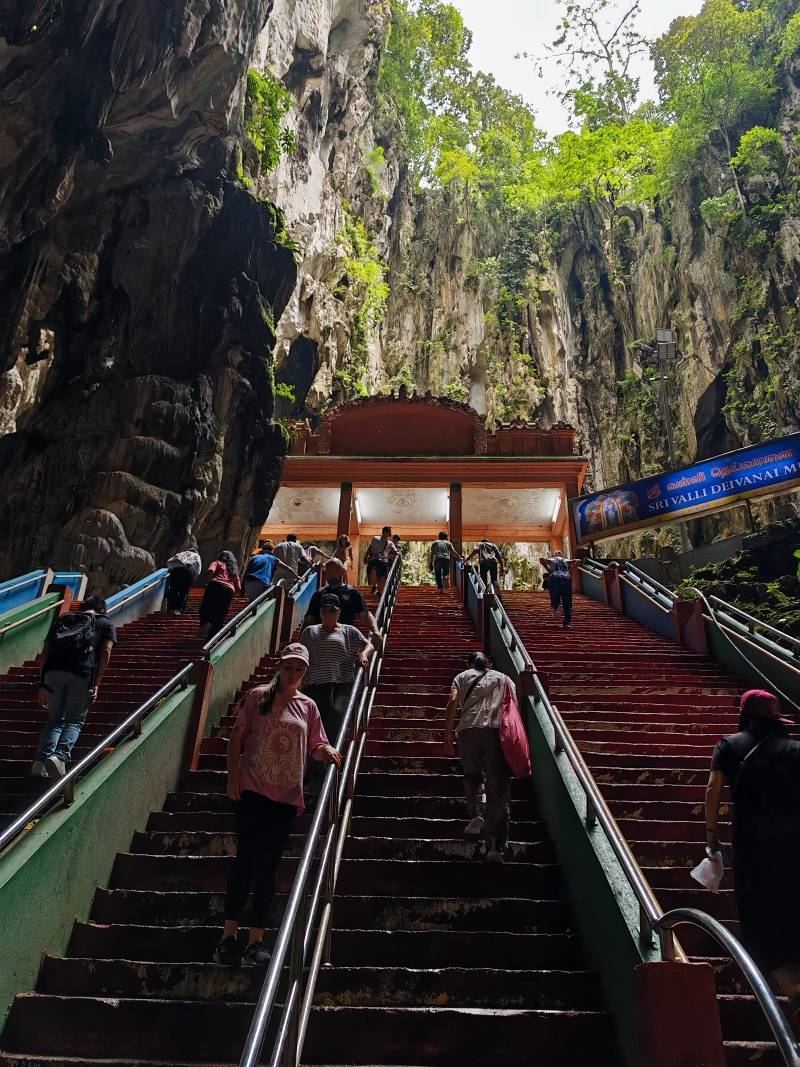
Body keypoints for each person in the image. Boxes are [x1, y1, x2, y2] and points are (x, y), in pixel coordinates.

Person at [214, 642, 341, 966]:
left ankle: (256, 939)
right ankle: (229, 936)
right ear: (280, 667)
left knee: (268, 867)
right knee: (245, 861)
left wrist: (325, 752)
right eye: (289, 667)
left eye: (299, 669)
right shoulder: (258, 697)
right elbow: (237, 737)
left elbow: (316, 744)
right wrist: (232, 778)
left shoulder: (308, 706)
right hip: (253, 790)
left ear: (305, 672)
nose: (294, 673)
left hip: (285, 797)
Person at [704, 689, 800, 1013]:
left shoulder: (728, 746)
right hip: (793, 848)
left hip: (752, 849)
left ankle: (792, 995)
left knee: (761, 927)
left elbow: (713, 788)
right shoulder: (794, 749)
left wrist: (711, 835)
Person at [32, 595, 117, 779]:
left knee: (55, 719)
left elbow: (46, 651)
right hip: (82, 674)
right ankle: (60, 757)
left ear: (82, 607)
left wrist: (43, 683)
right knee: (75, 721)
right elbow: (107, 651)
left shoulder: (64, 619)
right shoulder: (105, 623)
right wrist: (96, 683)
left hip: (53, 673)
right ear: (103, 610)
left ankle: (40, 763)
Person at [444, 652, 513, 863]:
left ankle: (474, 812)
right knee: (497, 785)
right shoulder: (503, 678)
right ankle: (495, 847)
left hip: (467, 730)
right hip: (495, 730)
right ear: (490, 664)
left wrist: (447, 734)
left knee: (472, 773)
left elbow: (452, 700)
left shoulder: (461, 676)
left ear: (468, 663)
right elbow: (512, 707)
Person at [300, 593, 374, 742]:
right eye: (324, 610)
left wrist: (364, 654)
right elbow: (300, 653)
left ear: (338, 611)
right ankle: (317, 759)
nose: (327, 613)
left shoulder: (349, 631)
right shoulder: (310, 632)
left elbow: (369, 644)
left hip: (342, 684)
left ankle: (329, 757)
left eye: (331, 609)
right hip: (315, 685)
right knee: (313, 722)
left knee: (336, 717)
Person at [302, 558, 382, 648]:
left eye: (335, 572)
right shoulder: (319, 594)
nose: (332, 576)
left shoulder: (352, 593)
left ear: (342, 572)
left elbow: (366, 615)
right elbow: (308, 620)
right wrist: (301, 644)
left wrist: (375, 631)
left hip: (344, 642)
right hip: (320, 642)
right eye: (329, 572)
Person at [198, 551, 241, 639]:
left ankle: (205, 622)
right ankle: (212, 639)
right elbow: (239, 588)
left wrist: (207, 580)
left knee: (205, 606)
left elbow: (211, 570)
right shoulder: (234, 570)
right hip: (229, 590)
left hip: (215, 585)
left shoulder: (217, 562)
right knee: (220, 614)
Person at [540, 551, 576, 629]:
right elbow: (578, 561)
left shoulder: (552, 560)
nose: (557, 553)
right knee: (567, 601)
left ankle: (557, 606)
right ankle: (567, 623)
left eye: (558, 552)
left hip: (554, 578)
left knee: (554, 595)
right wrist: (570, 570)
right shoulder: (565, 560)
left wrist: (548, 569)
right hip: (566, 578)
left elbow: (541, 559)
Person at [164, 547, 202, 615]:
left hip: (175, 570)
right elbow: (198, 568)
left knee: (173, 589)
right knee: (183, 591)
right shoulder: (196, 555)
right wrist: (193, 578)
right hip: (187, 570)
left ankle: (170, 608)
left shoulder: (182, 553)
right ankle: (178, 610)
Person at [364, 526, 398, 596]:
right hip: (374, 559)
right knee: (373, 573)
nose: (390, 533)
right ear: (385, 532)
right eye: (389, 531)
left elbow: (395, 551)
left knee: (382, 577)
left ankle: (379, 591)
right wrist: (366, 556)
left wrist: (398, 553)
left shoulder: (390, 543)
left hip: (384, 562)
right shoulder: (375, 538)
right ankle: (374, 586)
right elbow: (370, 547)